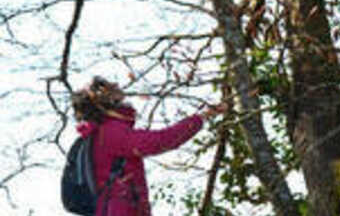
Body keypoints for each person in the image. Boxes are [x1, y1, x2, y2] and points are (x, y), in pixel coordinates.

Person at [71, 76, 227, 216]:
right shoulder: (110, 132)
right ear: (102, 99)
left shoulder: (101, 132)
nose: (116, 84)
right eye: (108, 85)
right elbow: (160, 141)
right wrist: (201, 117)